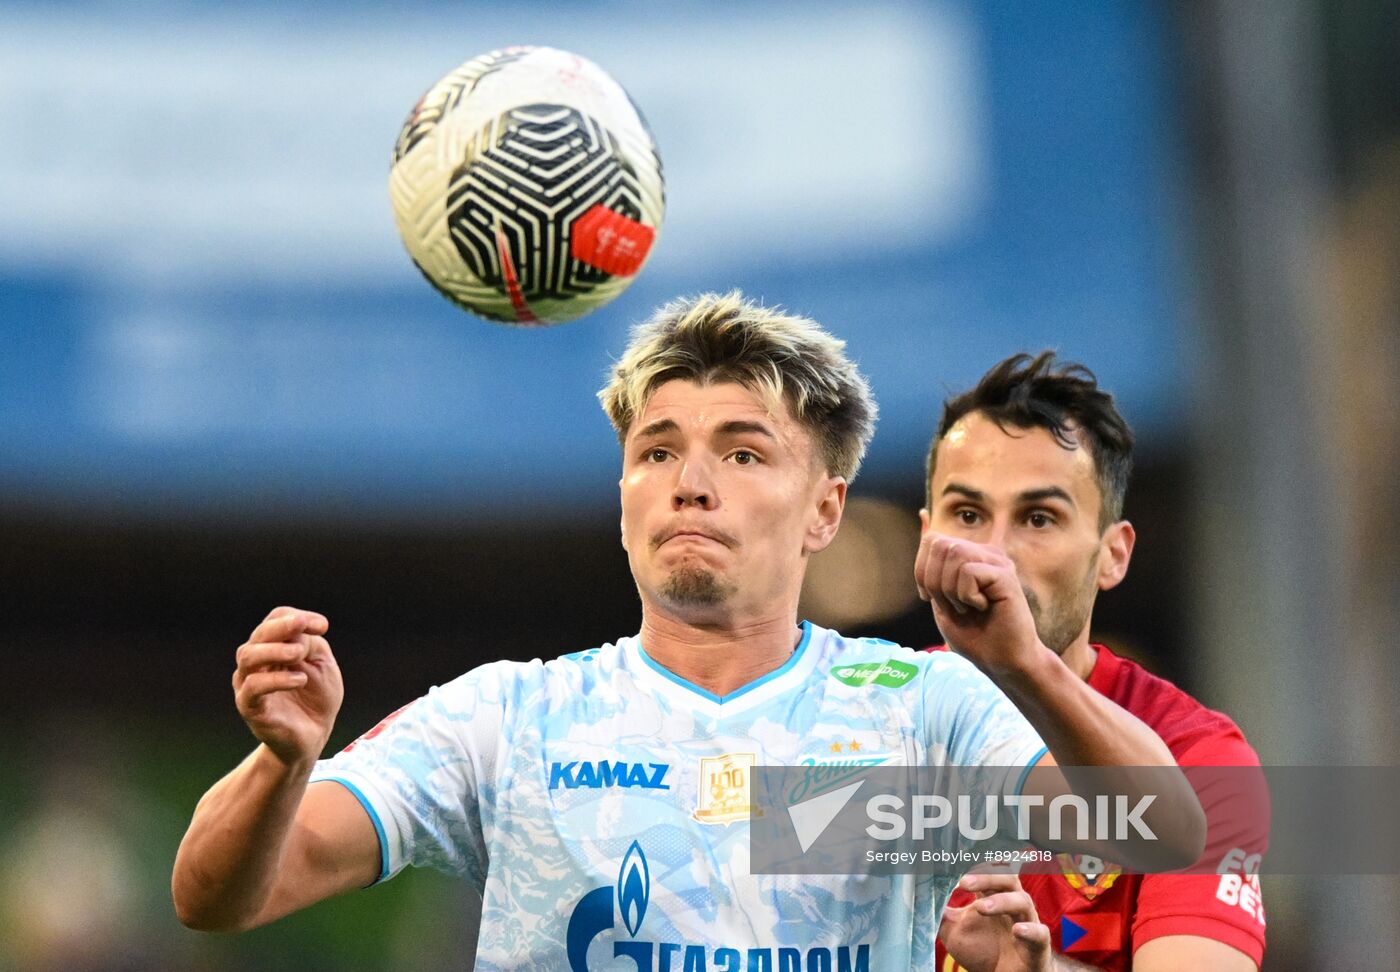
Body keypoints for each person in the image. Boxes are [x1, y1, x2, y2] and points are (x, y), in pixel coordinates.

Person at [171, 294, 1203, 969]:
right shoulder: (507, 718)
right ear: (624, 496)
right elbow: (212, 897)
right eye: (656, 451)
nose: (690, 483)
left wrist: (1022, 662)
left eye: (743, 453)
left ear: (823, 512)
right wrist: (281, 764)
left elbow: (1166, 832)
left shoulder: (923, 711)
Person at [924, 353, 1267, 972]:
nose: (993, 554)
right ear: (926, 536)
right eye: (967, 515)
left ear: (1113, 555)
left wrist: (1037, 969)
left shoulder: (1202, 760)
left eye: (1038, 518)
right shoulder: (857, 719)